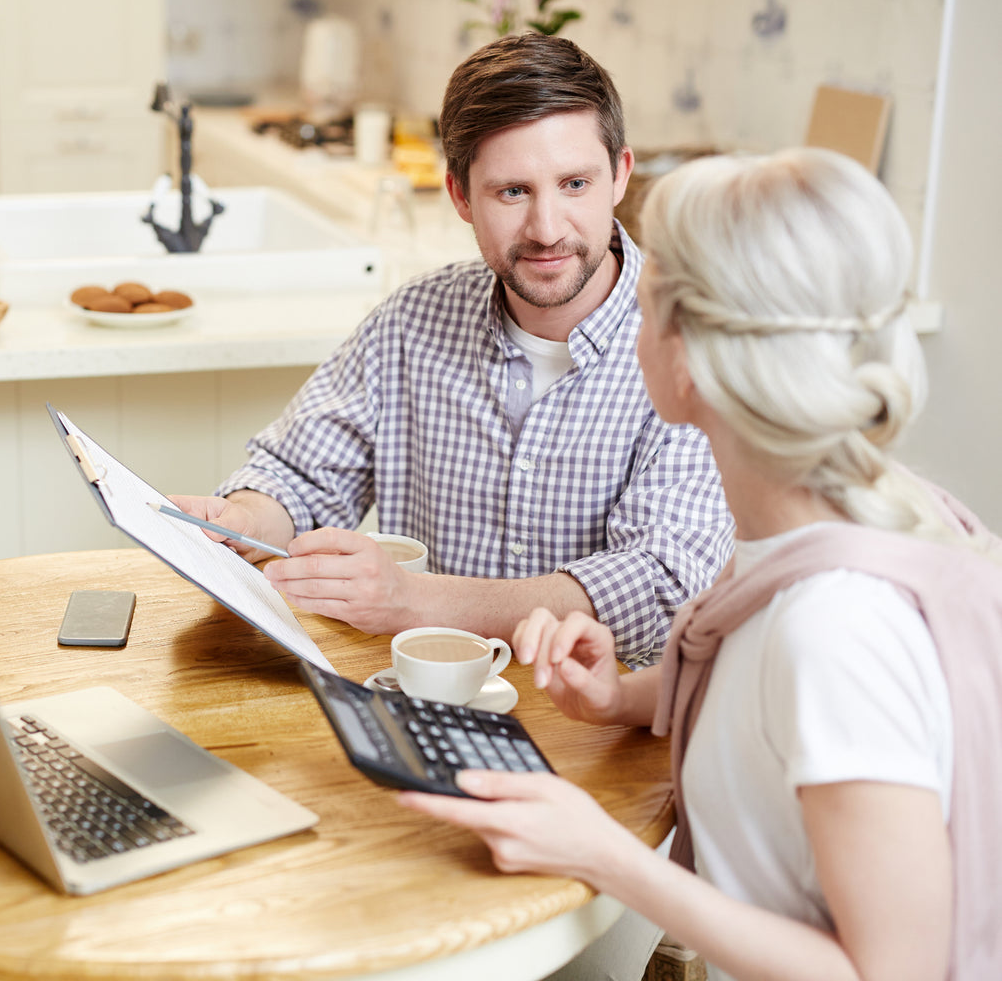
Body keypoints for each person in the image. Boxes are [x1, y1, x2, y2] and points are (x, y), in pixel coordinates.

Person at [401, 147, 1002, 980]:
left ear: (689, 358)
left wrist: (606, 856)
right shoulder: (812, 528)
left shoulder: (836, 628)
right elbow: (770, 714)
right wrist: (628, 698)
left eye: (644, 308)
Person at [171, 34, 733, 666]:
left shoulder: (695, 341)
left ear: (620, 176)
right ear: (461, 196)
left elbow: (661, 587)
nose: (548, 229)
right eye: (512, 192)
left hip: (609, 734)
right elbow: (299, 477)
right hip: (427, 710)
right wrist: (243, 521)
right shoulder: (413, 321)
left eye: (575, 184)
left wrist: (414, 600)